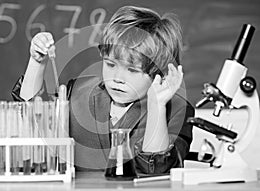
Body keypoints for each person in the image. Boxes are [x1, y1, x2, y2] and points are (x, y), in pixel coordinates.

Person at [12, 5, 194, 175]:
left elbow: (156, 171)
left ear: (158, 73)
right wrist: (37, 62)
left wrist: (157, 106)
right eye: (110, 64)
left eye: (132, 70)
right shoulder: (78, 92)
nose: (117, 78)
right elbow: (32, 118)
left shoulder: (177, 110)